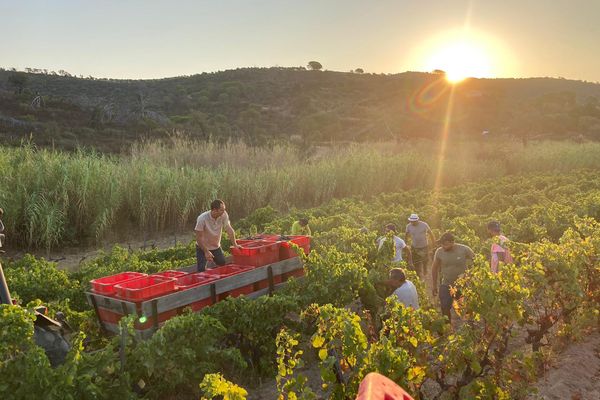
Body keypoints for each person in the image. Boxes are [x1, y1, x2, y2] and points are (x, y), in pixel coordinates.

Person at [431, 232, 474, 323]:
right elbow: (434, 268)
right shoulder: (439, 252)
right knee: (444, 307)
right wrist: (434, 285)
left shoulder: (464, 249)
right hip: (446, 284)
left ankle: (469, 327)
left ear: (452, 242)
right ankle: (447, 327)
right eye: (441, 244)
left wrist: (471, 275)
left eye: (445, 244)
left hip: (462, 284)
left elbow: (477, 262)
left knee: (466, 307)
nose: (443, 246)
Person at [194, 199, 240, 272]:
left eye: (224, 209)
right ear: (215, 210)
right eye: (221, 210)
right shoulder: (202, 218)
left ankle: (217, 280)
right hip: (202, 247)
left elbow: (229, 229)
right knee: (201, 269)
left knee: (222, 263)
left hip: (215, 246)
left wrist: (235, 244)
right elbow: (199, 237)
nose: (224, 211)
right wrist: (206, 251)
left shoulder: (224, 215)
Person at [405, 213, 436, 279]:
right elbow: (406, 235)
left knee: (425, 260)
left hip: (424, 246)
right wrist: (405, 244)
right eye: (411, 221)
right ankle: (418, 275)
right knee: (416, 262)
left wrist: (434, 243)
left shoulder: (424, 225)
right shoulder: (408, 226)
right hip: (414, 246)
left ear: (417, 220)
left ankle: (425, 271)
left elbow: (430, 233)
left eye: (414, 221)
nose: (412, 222)